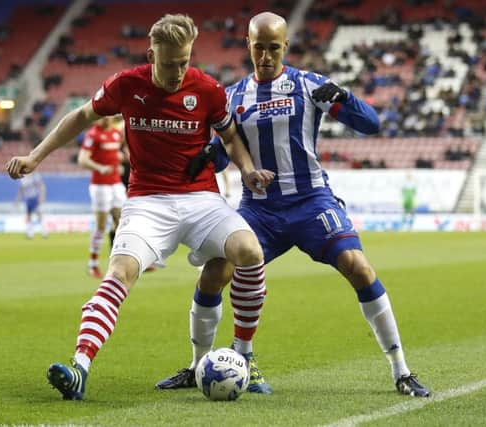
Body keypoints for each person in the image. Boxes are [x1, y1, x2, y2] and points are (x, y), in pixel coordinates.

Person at [157, 11, 430, 397]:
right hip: (259, 209)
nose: (265, 56)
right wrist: (207, 156)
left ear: (285, 46)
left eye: (273, 48)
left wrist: (344, 98)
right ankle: (200, 365)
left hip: (310, 202)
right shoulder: (233, 97)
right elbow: (225, 154)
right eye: (258, 48)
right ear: (248, 47)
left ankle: (401, 370)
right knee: (215, 271)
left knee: (359, 267)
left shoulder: (308, 85)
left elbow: (371, 124)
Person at [5, 13, 274, 401]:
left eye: (184, 61)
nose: (178, 72)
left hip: (202, 200)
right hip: (147, 201)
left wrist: (247, 170)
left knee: (249, 252)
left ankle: (244, 356)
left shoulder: (209, 89)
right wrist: (35, 156)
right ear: (151, 55)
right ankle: (80, 366)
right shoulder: (127, 84)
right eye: (169, 64)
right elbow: (82, 115)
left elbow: (230, 137)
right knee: (120, 273)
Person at [77, 115, 126, 278]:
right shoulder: (92, 135)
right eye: (103, 117)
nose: (106, 119)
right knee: (101, 226)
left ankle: (123, 262)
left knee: (123, 222)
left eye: (109, 116)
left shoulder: (116, 133)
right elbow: (83, 159)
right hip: (100, 186)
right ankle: (92, 263)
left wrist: (119, 162)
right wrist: (100, 167)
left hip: (116, 183)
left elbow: (118, 152)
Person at [16, 172, 48, 239]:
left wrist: (42, 197)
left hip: (34, 198)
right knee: (29, 216)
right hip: (28, 199)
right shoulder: (23, 178)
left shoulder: (34, 177)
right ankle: (30, 234)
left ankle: (44, 232)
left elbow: (41, 186)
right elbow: (21, 190)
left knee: (38, 215)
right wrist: (18, 200)